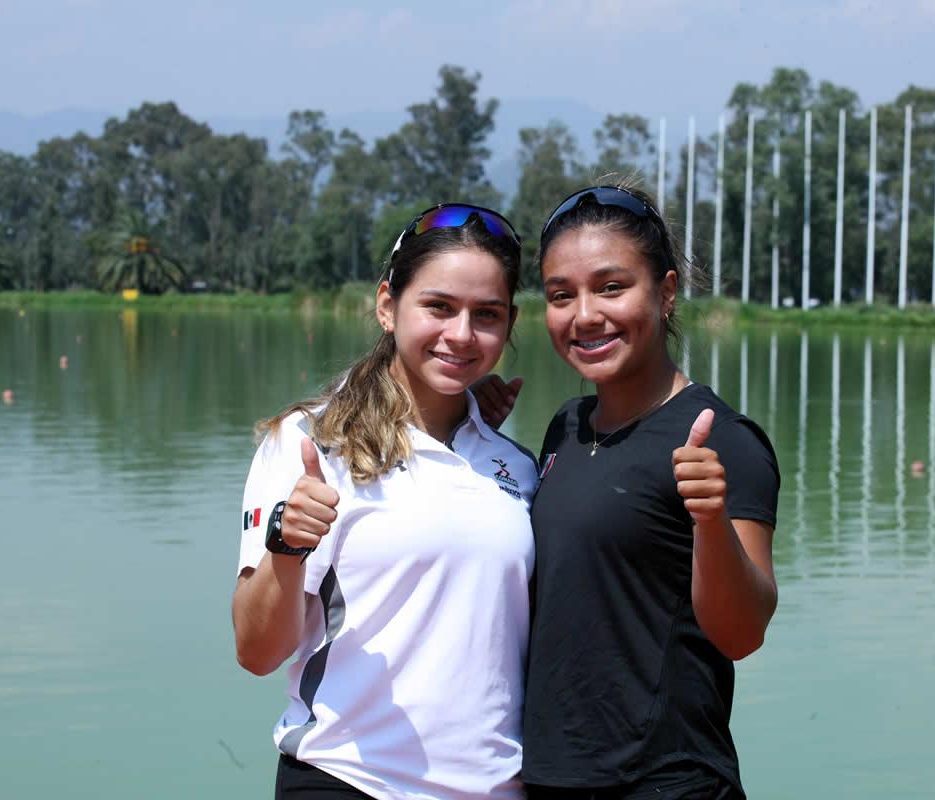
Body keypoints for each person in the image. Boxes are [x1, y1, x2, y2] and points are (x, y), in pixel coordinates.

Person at [477, 185, 780, 799]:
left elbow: (743, 632)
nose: (585, 314)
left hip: (664, 782)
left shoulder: (723, 441)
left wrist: (711, 518)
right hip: (548, 779)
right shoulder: (566, 424)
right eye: (562, 295)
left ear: (666, 293)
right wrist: (469, 425)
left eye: (612, 288)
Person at [232, 203, 540, 800]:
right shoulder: (311, 443)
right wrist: (289, 547)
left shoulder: (517, 467)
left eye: (487, 315)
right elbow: (255, 652)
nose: (461, 333)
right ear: (386, 305)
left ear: (509, 324)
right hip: (352, 782)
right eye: (439, 306)